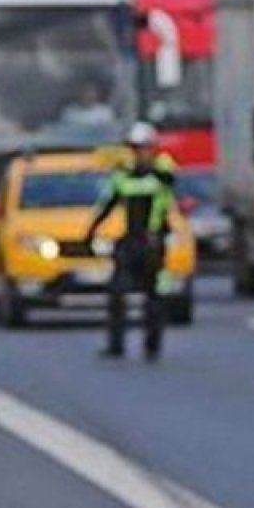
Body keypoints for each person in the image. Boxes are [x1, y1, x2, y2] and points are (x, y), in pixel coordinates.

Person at [85, 121, 176, 362]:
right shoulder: (122, 178)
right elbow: (106, 206)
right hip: (131, 241)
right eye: (136, 149)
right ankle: (116, 345)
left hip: (154, 242)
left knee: (155, 296)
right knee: (117, 293)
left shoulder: (162, 173)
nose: (140, 153)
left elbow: (169, 178)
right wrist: (90, 232)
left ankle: (152, 346)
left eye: (144, 148)